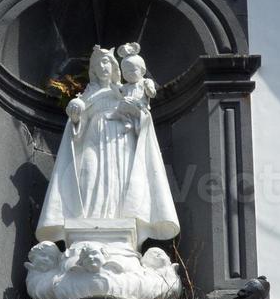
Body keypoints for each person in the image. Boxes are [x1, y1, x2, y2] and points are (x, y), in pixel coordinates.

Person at [36, 44, 179, 249]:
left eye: (107, 63)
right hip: (92, 140)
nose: (103, 67)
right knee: (89, 174)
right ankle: (89, 220)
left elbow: (142, 118)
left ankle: (118, 218)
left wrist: (136, 114)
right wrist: (75, 115)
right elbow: (76, 126)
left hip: (120, 141)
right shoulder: (88, 93)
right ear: (93, 69)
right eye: (98, 64)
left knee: (117, 179)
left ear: (114, 67)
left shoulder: (122, 90)